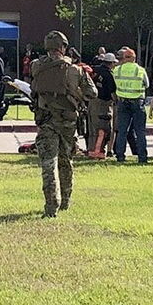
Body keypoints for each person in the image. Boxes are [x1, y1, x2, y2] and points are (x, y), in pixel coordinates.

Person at [30, 31, 96, 217]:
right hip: (68, 121)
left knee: (48, 163)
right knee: (66, 160)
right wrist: (76, 94)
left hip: (46, 120)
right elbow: (92, 93)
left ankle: (51, 205)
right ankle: (66, 200)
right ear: (64, 47)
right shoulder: (75, 70)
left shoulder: (36, 66)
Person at [111, 47, 149, 164]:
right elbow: (147, 84)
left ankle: (120, 156)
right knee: (140, 131)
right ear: (134, 58)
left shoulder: (117, 70)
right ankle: (142, 157)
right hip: (137, 102)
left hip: (122, 102)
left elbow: (114, 84)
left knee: (122, 131)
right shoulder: (140, 70)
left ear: (124, 58)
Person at [86, 52, 116, 158]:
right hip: (104, 103)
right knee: (103, 128)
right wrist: (116, 102)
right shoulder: (109, 75)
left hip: (92, 101)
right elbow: (112, 92)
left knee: (92, 128)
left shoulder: (94, 69)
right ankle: (98, 152)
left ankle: (91, 150)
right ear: (111, 63)